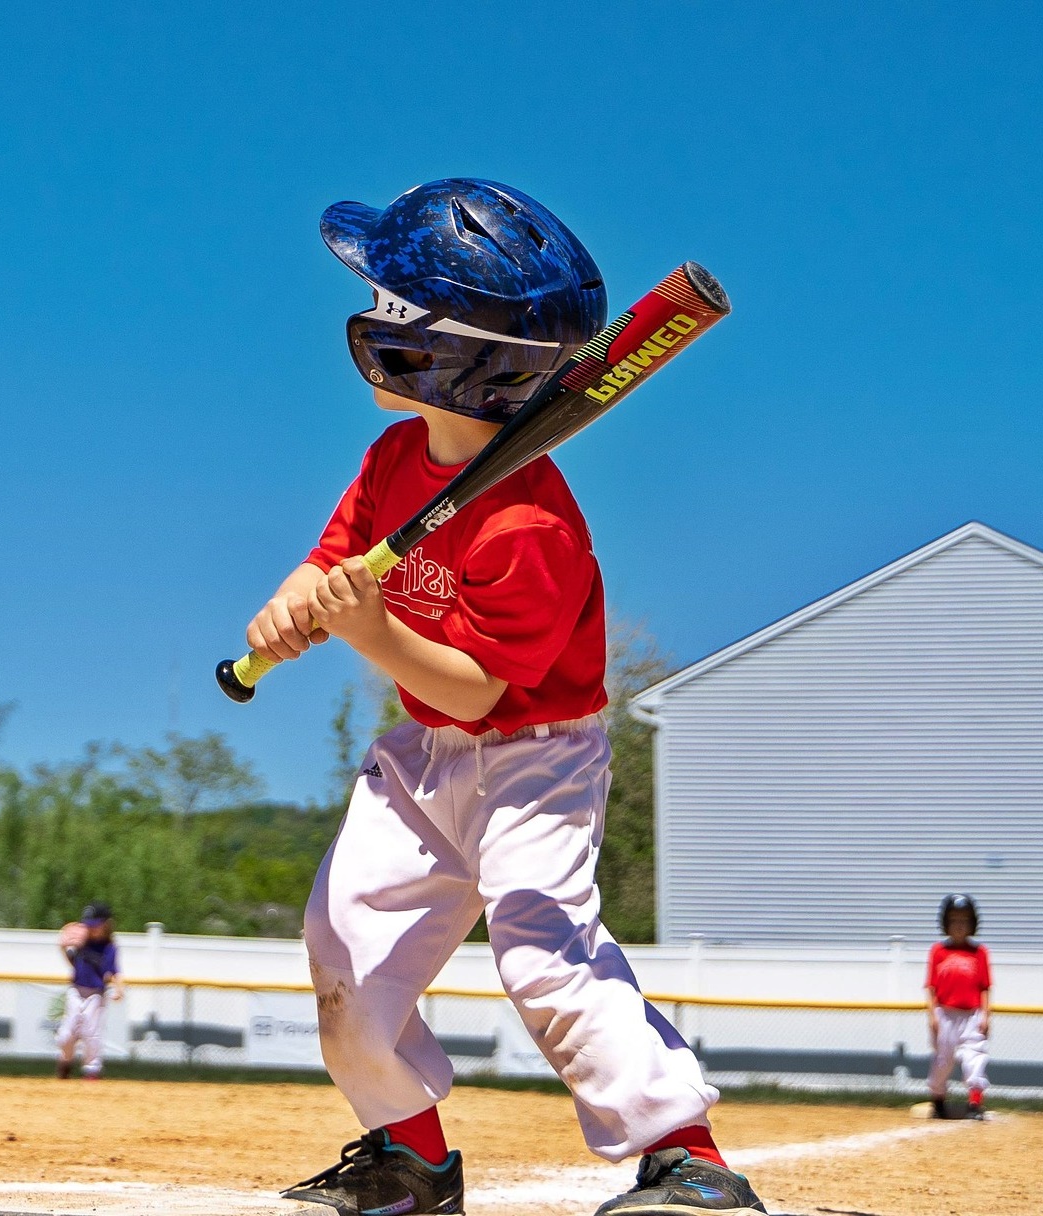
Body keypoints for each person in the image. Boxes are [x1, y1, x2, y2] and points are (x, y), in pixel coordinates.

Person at [245, 179, 764, 1216]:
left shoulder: (530, 523)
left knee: (543, 948)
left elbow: (479, 690)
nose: (373, 317)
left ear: (444, 355)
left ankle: (685, 1156)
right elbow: (333, 557)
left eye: (394, 308)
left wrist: (365, 628)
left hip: (535, 758)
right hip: (424, 759)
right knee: (344, 941)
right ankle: (409, 1155)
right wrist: (293, 603)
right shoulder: (396, 456)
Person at [926, 894, 991, 1120]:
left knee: (975, 1055)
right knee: (943, 1059)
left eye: (964, 920)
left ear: (972, 923)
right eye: (953, 920)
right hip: (944, 1013)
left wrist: (986, 1015)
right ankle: (938, 1100)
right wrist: (932, 1015)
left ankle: (974, 1102)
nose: (959, 925)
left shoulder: (979, 952)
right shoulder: (938, 952)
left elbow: (984, 987)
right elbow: (931, 988)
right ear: (945, 923)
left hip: (972, 1014)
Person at [56, 901, 123, 1079]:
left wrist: (119, 988)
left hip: (96, 994)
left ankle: (92, 1070)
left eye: (95, 925)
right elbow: (73, 963)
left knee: (91, 1033)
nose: (91, 929)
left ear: (106, 925)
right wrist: (62, 947)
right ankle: (65, 1061)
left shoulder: (109, 948)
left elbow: (114, 971)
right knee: (66, 1034)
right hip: (76, 990)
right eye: (89, 925)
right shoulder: (82, 942)